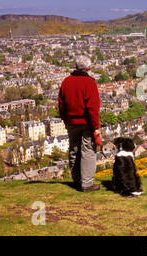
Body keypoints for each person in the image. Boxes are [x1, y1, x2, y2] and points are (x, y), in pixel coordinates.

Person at [58, 55, 102, 192]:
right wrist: (96, 127)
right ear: (89, 68)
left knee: (74, 150)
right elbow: (92, 108)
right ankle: (87, 183)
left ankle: (76, 181)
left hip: (71, 122)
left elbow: (61, 104)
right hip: (87, 122)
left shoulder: (66, 82)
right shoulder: (89, 83)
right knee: (88, 150)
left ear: (76, 67)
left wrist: (65, 120)